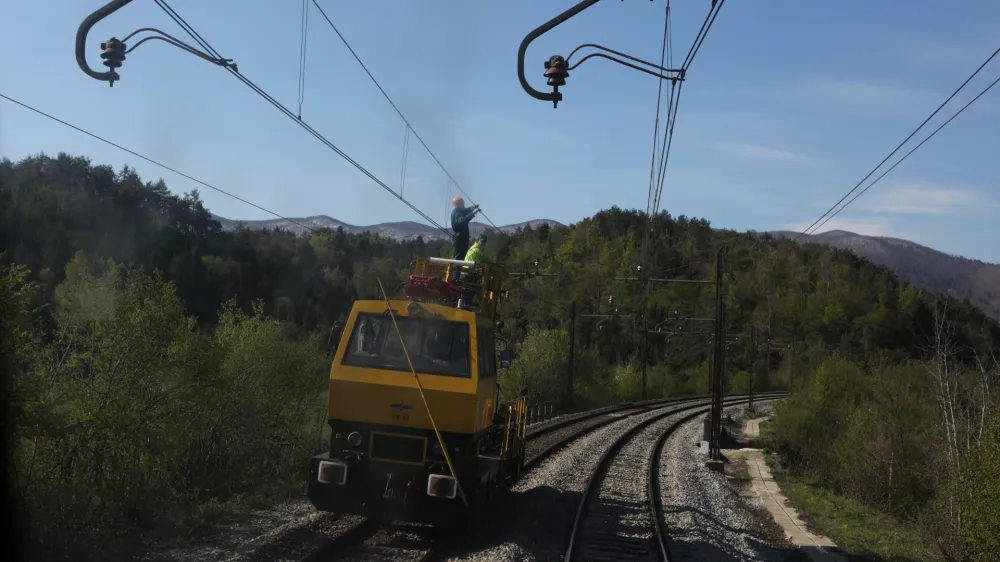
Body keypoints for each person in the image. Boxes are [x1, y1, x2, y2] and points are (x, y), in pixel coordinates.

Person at [450, 197, 480, 261]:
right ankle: (457, 271)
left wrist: (473, 208)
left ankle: (460, 270)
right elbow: (462, 221)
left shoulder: (460, 211)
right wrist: (473, 213)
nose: (464, 205)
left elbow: (466, 210)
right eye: (462, 204)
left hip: (462, 237)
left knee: (463, 257)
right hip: (459, 238)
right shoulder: (456, 212)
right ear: (458, 204)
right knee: (459, 258)